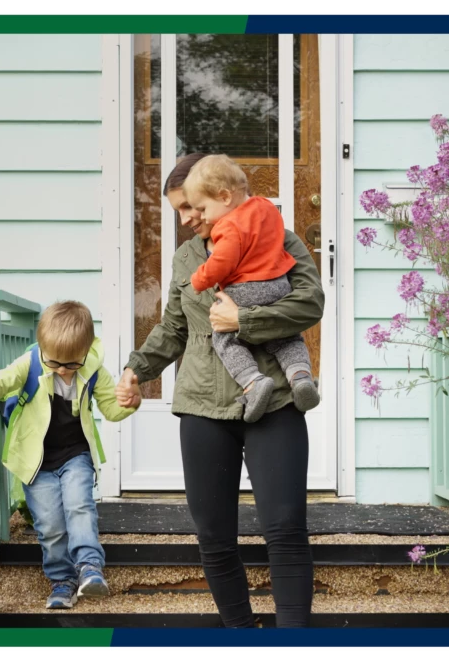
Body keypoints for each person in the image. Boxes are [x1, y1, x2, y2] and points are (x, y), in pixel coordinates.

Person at [116, 153, 324, 627]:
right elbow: (173, 328)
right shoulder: (186, 257)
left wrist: (244, 320)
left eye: (190, 207)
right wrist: (136, 369)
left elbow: (310, 303)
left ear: (214, 196)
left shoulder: (278, 238)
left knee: (286, 528)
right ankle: (240, 635)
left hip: (276, 403)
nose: (188, 220)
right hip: (203, 407)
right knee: (213, 536)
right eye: (179, 212)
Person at [0, 300, 138, 609]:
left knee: (79, 507)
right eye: (55, 363)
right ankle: (62, 580)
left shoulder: (93, 371)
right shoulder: (31, 363)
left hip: (76, 454)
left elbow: (112, 410)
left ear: (86, 351)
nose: (63, 370)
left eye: (71, 364)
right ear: (42, 348)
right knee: (49, 523)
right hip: (36, 461)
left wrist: (131, 403)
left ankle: (89, 567)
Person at [183, 154, 320, 422]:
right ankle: (300, 376)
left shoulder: (228, 225)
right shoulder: (267, 208)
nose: (201, 216)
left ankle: (253, 382)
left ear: (224, 197)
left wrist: (200, 279)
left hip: (246, 289)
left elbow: (223, 261)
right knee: (287, 338)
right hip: (279, 285)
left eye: (203, 208)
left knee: (223, 336)